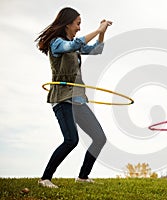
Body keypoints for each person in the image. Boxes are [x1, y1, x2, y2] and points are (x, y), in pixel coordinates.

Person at [35, 7, 112, 188]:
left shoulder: (75, 45)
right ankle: (45, 178)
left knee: (99, 138)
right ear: (67, 24)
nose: (79, 27)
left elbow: (97, 50)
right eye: (77, 24)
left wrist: (102, 33)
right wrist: (98, 30)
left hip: (77, 100)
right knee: (71, 140)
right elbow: (73, 44)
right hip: (62, 99)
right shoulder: (57, 43)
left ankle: (83, 177)